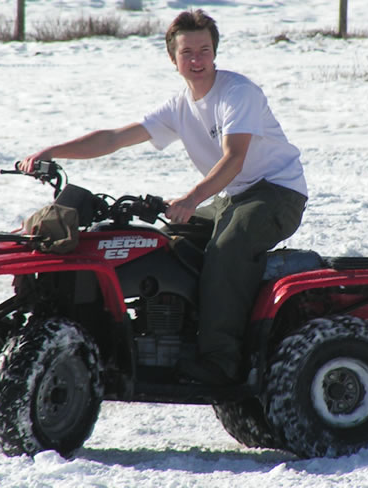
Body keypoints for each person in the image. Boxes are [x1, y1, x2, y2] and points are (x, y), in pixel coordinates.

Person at [20, 9, 308, 385]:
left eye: (204, 50)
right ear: (173, 60)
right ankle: (178, 331)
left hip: (276, 191)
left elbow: (234, 159)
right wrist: (51, 151)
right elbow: (115, 137)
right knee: (167, 242)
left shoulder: (238, 94)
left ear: (215, 53)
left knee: (228, 247)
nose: (196, 60)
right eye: (187, 52)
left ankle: (221, 362)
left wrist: (190, 199)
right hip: (234, 195)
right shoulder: (179, 107)